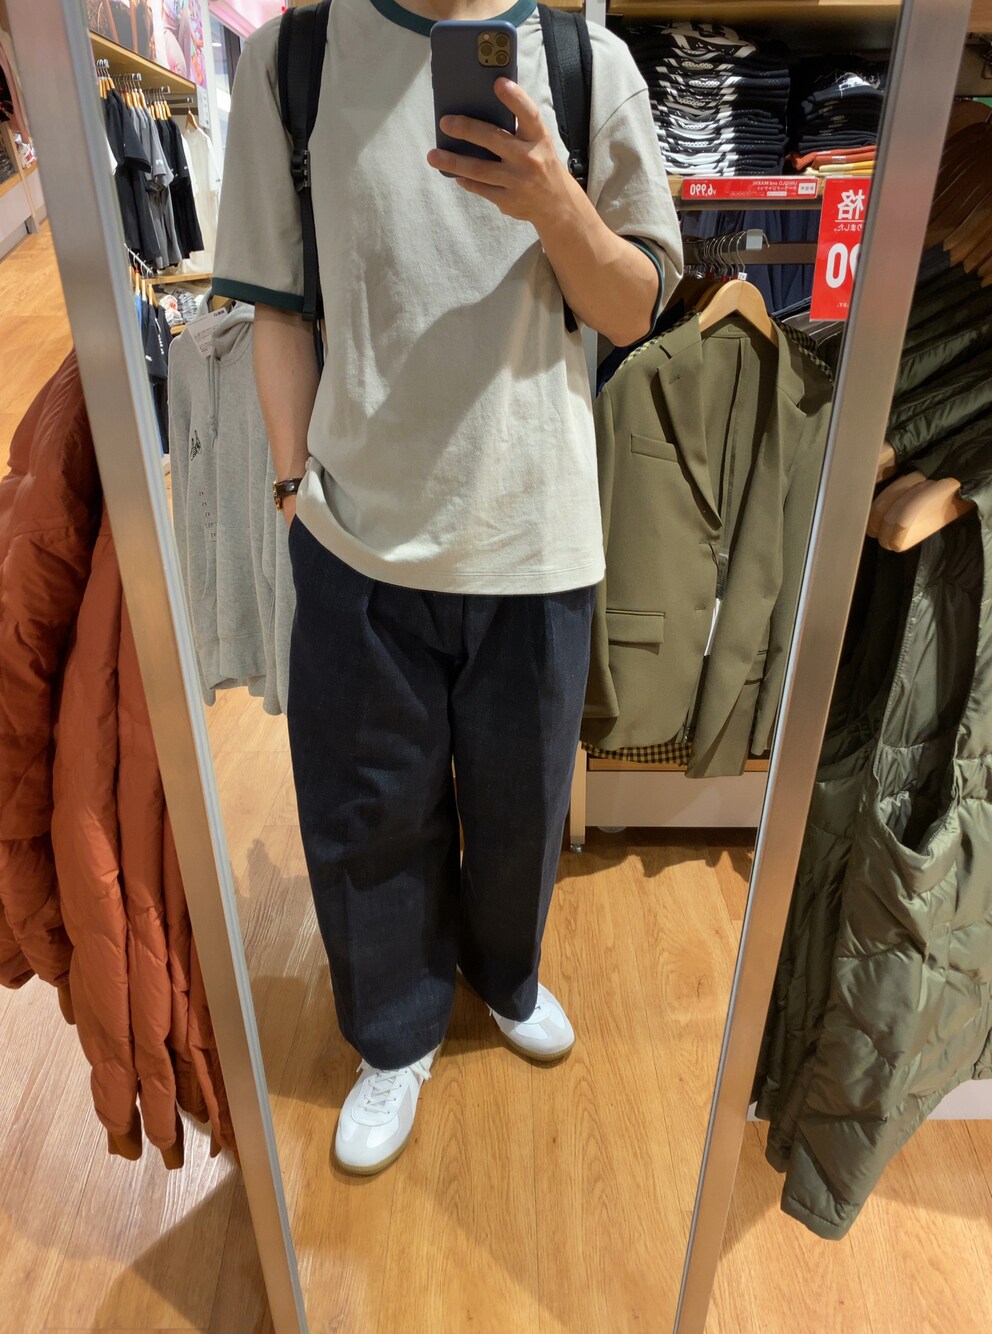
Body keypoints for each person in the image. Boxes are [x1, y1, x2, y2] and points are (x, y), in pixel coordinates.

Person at [213, 0, 681, 1175]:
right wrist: (291, 488)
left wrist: (555, 202)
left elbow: (631, 307)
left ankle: (505, 974)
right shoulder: (293, 60)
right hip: (357, 530)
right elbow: (279, 306)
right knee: (367, 811)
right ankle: (394, 1029)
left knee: (523, 805)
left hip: (534, 530)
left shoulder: (586, 63)